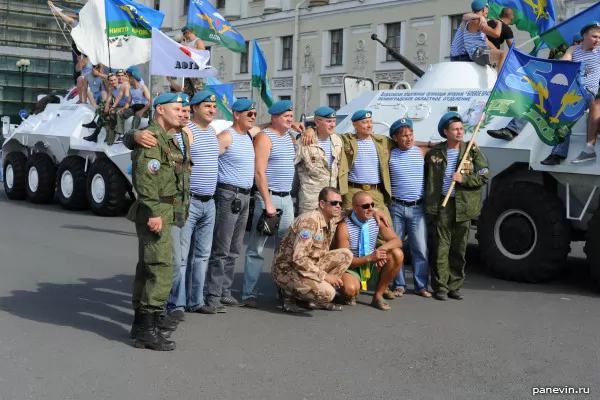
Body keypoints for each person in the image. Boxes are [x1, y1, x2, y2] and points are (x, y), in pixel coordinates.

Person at [488, 22, 600, 166]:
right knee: (536, 96)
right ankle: (512, 130)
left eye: (599, 37)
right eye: (594, 36)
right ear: (585, 36)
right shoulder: (574, 49)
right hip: (566, 90)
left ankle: (558, 153)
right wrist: (574, 64)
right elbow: (563, 64)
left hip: (585, 92)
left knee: (563, 115)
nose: (597, 40)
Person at [126, 92, 187, 351]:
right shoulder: (151, 138)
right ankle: (148, 330)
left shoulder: (172, 137)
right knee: (161, 269)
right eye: (177, 108)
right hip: (157, 209)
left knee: (148, 268)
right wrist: (153, 212)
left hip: (166, 209)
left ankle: (142, 324)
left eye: (184, 108)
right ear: (160, 110)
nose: (182, 112)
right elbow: (145, 178)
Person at [425, 113, 489, 301]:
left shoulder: (472, 151)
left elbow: (484, 175)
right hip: (443, 204)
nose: (460, 132)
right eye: (455, 129)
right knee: (441, 247)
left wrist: (464, 179)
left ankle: (455, 285)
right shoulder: (436, 153)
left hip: (464, 205)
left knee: (459, 248)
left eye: (461, 129)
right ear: (446, 132)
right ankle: (441, 287)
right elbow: (426, 178)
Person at [242, 100, 297, 308]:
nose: (290, 119)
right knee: (256, 248)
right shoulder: (265, 138)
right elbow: (259, 172)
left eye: (291, 116)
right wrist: (267, 202)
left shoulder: (289, 138)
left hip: (287, 198)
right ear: (274, 118)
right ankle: (249, 293)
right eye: (286, 116)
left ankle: (283, 291)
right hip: (270, 198)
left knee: (284, 249)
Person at [205, 99, 257, 312]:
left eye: (254, 113)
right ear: (236, 114)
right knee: (221, 248)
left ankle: (224, 291)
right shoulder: (227, 136)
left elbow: (265, 126)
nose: (253, 116)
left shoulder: (249, 136)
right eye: (249, 113)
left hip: (244, 197)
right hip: (228, 194)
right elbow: (207, 161)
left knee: (235, 249)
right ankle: (212, 294)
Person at [273, 187, 353, 313]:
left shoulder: (330, 217)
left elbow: (349, 211)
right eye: (334, 203)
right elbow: (299, 259)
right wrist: (325, 276)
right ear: (322, 204)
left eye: (340, 203)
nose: (338, 206)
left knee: (346, 255)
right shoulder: (309, 222)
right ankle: (288, 293)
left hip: (309, 265)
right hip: (288, 269)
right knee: (328, 293)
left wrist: (375, 211)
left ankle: (313, 298)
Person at [334, 191, 403, 311]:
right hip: (352, 266)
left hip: (372, 264)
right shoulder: (344, 227)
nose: (371, 209)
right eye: (366, 206)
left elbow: (397, 241)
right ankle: (348, 291)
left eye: (372, 204)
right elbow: (344, 260)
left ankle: (378, 296)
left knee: (397, 254)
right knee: (350, 290)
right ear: (355, 208)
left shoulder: (376, 220)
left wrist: (381, 251)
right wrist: (370, 258)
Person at [387, 118, 432, 299]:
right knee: (396, 249)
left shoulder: (421, 151)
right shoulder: (389, 154)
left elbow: (448, 146)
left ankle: (421, 285)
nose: (408, 138)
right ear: (395, 138)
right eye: (404, 135)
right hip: (396, 207)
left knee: (420, 248)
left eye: (411, 134)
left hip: (417, 208)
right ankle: (399, 284)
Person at [295, 106, 343, 214]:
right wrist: (309, 129)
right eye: (329, 121)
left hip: (332, 201)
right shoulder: (303, 142)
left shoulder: (338, 141)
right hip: (311, 202)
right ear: (317, 122)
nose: (333, 125)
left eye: (334, 121)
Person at [462, 0, 506, 70]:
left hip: (479, 51)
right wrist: (499, 23)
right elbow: (496, 34)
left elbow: (487, 42)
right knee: (503, 54)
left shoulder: (473, 21)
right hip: (477, 52)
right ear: (483, 8)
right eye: (487, 7)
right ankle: (500, 81)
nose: (488, 10)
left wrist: (497, 51)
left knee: (505, 56)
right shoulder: (476, 21)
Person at [116, 70, 150, 138]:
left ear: (133, 79)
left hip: (144, 108)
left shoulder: (143, 87)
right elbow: (128, 102)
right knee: (120, 113)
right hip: (134, 107)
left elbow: (150, 101)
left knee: (137, 116)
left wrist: (142, 111)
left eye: (129, 78)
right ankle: (121, 135)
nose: (128, 80)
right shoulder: (131, 89)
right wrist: (123, 108)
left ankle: (132, 135)